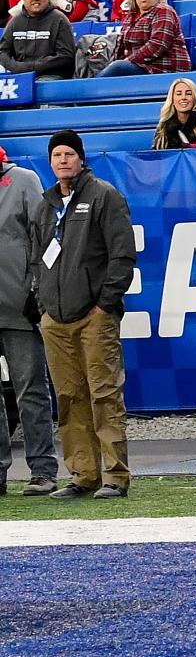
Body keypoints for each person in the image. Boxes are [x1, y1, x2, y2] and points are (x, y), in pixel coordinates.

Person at [33, 130, 136, 500]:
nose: (62, 160)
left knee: (104, 394)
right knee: (68, 396)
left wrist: (104, 305)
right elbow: (36, 257)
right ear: (50, 162)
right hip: (55, 320)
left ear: (81, 158)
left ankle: (114, 477)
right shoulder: (46, 205)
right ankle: (83, 475)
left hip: (94, 316)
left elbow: (123, 254)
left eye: (69, 154)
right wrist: (41, 303)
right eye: (56, 155)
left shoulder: (103, 196)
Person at [0, 145, 58, 498]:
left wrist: (36, 291)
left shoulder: (23, 180)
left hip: (18, 306)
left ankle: (43, 469)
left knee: (31, 390)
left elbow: (45, 236)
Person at [97, 0, 191, 77]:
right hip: (139, 66)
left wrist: (128, 61)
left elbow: (158, 44)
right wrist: (115, 62)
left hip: (164, 68)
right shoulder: (130, 17)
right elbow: (121, 46)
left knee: (118, 67)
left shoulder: (163, 10)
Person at [0, 0, 75, 77]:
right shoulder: (15, 21)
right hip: (20, 76)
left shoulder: (59, 19)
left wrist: (31, 68)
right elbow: (3, 51)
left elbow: (66, 56)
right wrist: (15, 67)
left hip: (51, 75)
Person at [153, 77, 196, 148]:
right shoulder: (163, 125)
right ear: (172, 99)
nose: (183, 97)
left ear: (195, 98)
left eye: (188, 94)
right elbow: (158, 156)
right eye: (179, 94)